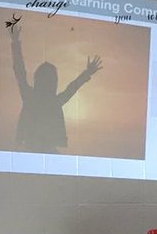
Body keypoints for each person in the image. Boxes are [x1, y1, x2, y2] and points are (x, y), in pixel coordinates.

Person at [10, 24, 102, 154]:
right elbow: (73, 86)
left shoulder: (31, 97)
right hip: (42, 150)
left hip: (34, 149)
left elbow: (20, 71)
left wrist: (15, 43)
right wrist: (87, 73)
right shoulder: (52, 101)